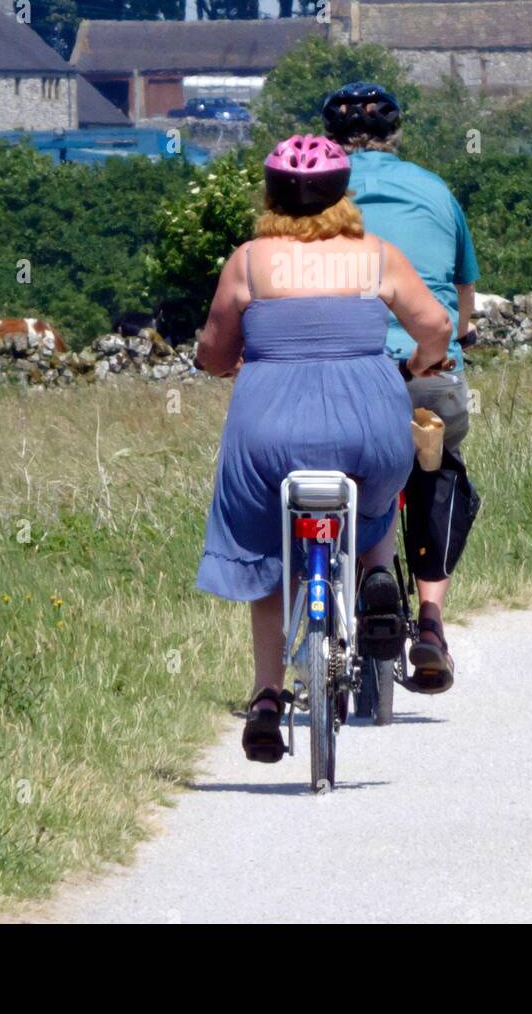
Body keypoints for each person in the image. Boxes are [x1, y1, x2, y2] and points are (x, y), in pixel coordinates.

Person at [195, 134, 452, 762]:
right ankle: (372, 578)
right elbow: (438, 326)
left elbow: (212, 352)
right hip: (369, 421)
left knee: (261, 540)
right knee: (381, 492)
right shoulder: (375, 255)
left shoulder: (250, 262)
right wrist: (417, 364)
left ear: (270, 193)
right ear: (343, 190)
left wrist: (229, 362)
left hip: (269, 430)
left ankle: (265, 697)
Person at [322, 82, 480, 693]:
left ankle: (363, 575)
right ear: (396, 134)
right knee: (438, 472)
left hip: (344, 368)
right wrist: (459, 338)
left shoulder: (315, 199)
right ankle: (433, 627)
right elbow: (461, 303)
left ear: (330, 141)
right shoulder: (437, 190)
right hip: (426, 368)